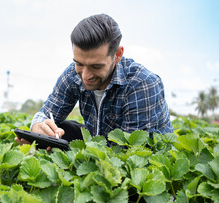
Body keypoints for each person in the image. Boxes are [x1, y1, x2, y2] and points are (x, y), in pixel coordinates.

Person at [16, 13, 173, 146]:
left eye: (96, 67)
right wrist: (38, 130)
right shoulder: (72, 73)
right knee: (59, 131)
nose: (85, 76)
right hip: (99, 145)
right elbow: (46, 113)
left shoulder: (142, 84)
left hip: (141, 159)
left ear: (117, 55)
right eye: (79, 63)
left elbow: (133, 154)